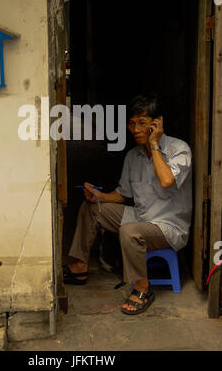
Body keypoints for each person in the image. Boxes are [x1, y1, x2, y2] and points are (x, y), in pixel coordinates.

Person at [63, 92, 192, 315]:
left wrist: (154, 145)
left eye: (143, 123)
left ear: (157, 123)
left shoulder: (179, 149)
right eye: (132, 124)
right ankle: (79, 267)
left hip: (168, 227)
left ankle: (142, 288)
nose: (136, 129)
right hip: (141, 216)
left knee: (129, 231)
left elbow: (167, 180)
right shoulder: (133, 156)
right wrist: (99, 196)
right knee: (91, 208)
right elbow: (123, 194)